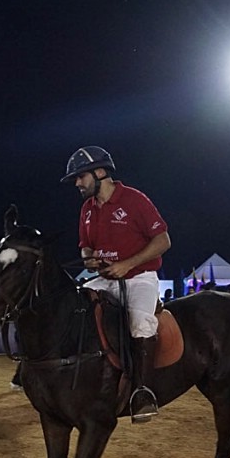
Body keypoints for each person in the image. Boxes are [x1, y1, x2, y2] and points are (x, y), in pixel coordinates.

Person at [63, 146, 171, 422]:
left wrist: (129, 263)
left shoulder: (134, 200)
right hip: (105, 279)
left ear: (100, 173)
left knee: (140, 323)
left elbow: (163, 241)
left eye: (80, 177)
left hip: (139, 278)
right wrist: (89, 260)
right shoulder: (87, 209)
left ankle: (143, 392)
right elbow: (85, 247)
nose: (77, 183)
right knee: (72, 309)